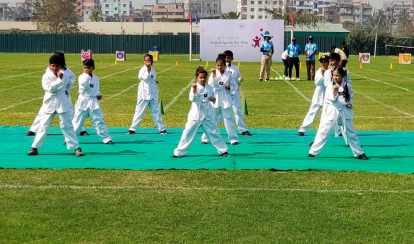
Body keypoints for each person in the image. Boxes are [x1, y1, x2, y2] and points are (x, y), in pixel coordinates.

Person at [27, 54, 83, 156]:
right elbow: (50, 89)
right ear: (49, 65)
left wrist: (67, 90)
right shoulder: (46, 76)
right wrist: (59, 80)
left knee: (67, 125)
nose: (54, 68)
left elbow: (70, 82)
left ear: (60, 66)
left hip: (62, 101)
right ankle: (34, 147)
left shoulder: (66, 74)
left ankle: (76, 147)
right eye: (52, 66)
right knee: (43, 125)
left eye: (57, 66)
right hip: (49, 102)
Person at [308, 66, 368, 160]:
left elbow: (351, 96)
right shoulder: (329, 86)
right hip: (332, 110)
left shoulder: (347, 85)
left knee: (351, 133)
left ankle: (359, 153)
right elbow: (332, 99)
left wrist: (350, 103)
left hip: (344, 111)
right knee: (324, 132)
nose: (335, 77)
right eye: (334, 75)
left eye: (338, 75)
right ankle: (313, 152)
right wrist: (335, 91)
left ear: (343, 76)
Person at [172, 67, 229, 158]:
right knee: (187, 133)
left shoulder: (209, 88)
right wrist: (194, 90)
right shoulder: (194, 87)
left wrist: (212, 99)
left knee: (214, 132)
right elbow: (193, 99)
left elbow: (213, 98)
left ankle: (223, 150)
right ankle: (178, 152)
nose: (202, 79)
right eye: (200, 78)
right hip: (195, 114)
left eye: (204, 78)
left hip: (207, 114)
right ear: (196, 78)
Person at [72, 59, 113, 144]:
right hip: (83, 101)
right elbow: (85, 86)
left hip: (93, 101)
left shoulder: (96, 78)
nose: (86, 69)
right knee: (77, 121)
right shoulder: (82, 77)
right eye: (85, 68)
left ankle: (106, 138)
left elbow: (95, 89)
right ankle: (70, 139)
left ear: (93, 68)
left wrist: (98, 94)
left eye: (88, 68)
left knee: (98, 120)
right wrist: (87, 77)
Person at [201, 56, 239, 145]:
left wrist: (229, 87)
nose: (219, 67)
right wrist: (214, 76)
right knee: (211, 120)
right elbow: (211, 85)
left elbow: (235, 86)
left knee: (228, 120)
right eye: (217, 65)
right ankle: (205, 138)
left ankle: (233, 138)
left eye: (221, 65)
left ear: (224, 65)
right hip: (215, 99)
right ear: (215, 65)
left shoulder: (229, 75)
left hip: (225, 99)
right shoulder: (212, 74)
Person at [127, 54, 168, 135]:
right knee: (139, 111)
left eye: (148, 60)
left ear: (152, 62)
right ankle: (132, 129)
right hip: (144, 93)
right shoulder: (142, 70)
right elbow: (145, 78)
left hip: (152, 93)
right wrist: (148, 69)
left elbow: (152, 78)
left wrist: (154, 81)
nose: (147, 62)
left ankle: (162, 129)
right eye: (145, 60)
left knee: (156, 111)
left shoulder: (153, 70)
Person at [298, 55, 329, 136]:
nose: (323, 63)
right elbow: (318, 82)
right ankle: (303, 129)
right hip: (319, 95)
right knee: (312, 112)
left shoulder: (330, 72)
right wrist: (323, 73)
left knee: (332, 113)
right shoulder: (318, 71)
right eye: (321, 62)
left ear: (328, 63)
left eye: (325, 62)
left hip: (328, 95)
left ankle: (340, 130)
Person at [223, 50, 252, 136]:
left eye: (228, 58)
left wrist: (239, 80)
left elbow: (238, 81)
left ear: (232, 58)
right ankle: (211, 131)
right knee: (219, 112)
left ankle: (243, 129)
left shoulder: (236, 68)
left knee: (237, 110)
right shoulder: (221, 67)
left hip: (234, 92)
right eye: (225, 58)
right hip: (223, 93)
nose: (227, 59)